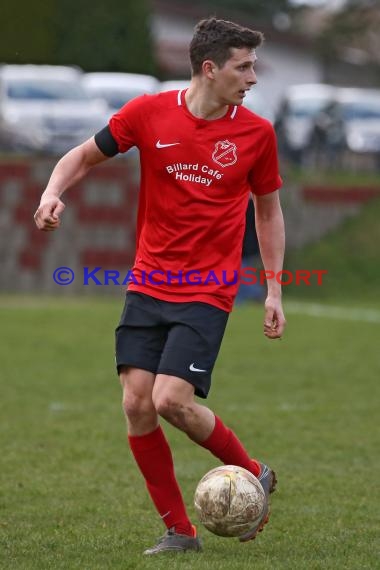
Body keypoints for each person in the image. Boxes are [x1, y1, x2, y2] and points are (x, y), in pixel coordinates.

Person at [34, 17, 286, 555]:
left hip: (208, 289)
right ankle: (180, 532)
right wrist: (53, 192)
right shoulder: (148, 113)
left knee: (170, 399)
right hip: (148, 282)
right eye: (244, 67)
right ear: (210, 68)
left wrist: (273, 289)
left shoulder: (256, 134)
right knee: (136, 404)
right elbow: (81, 155)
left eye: (254, 66)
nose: (253, 78)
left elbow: (267, 212)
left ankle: (251, 472)